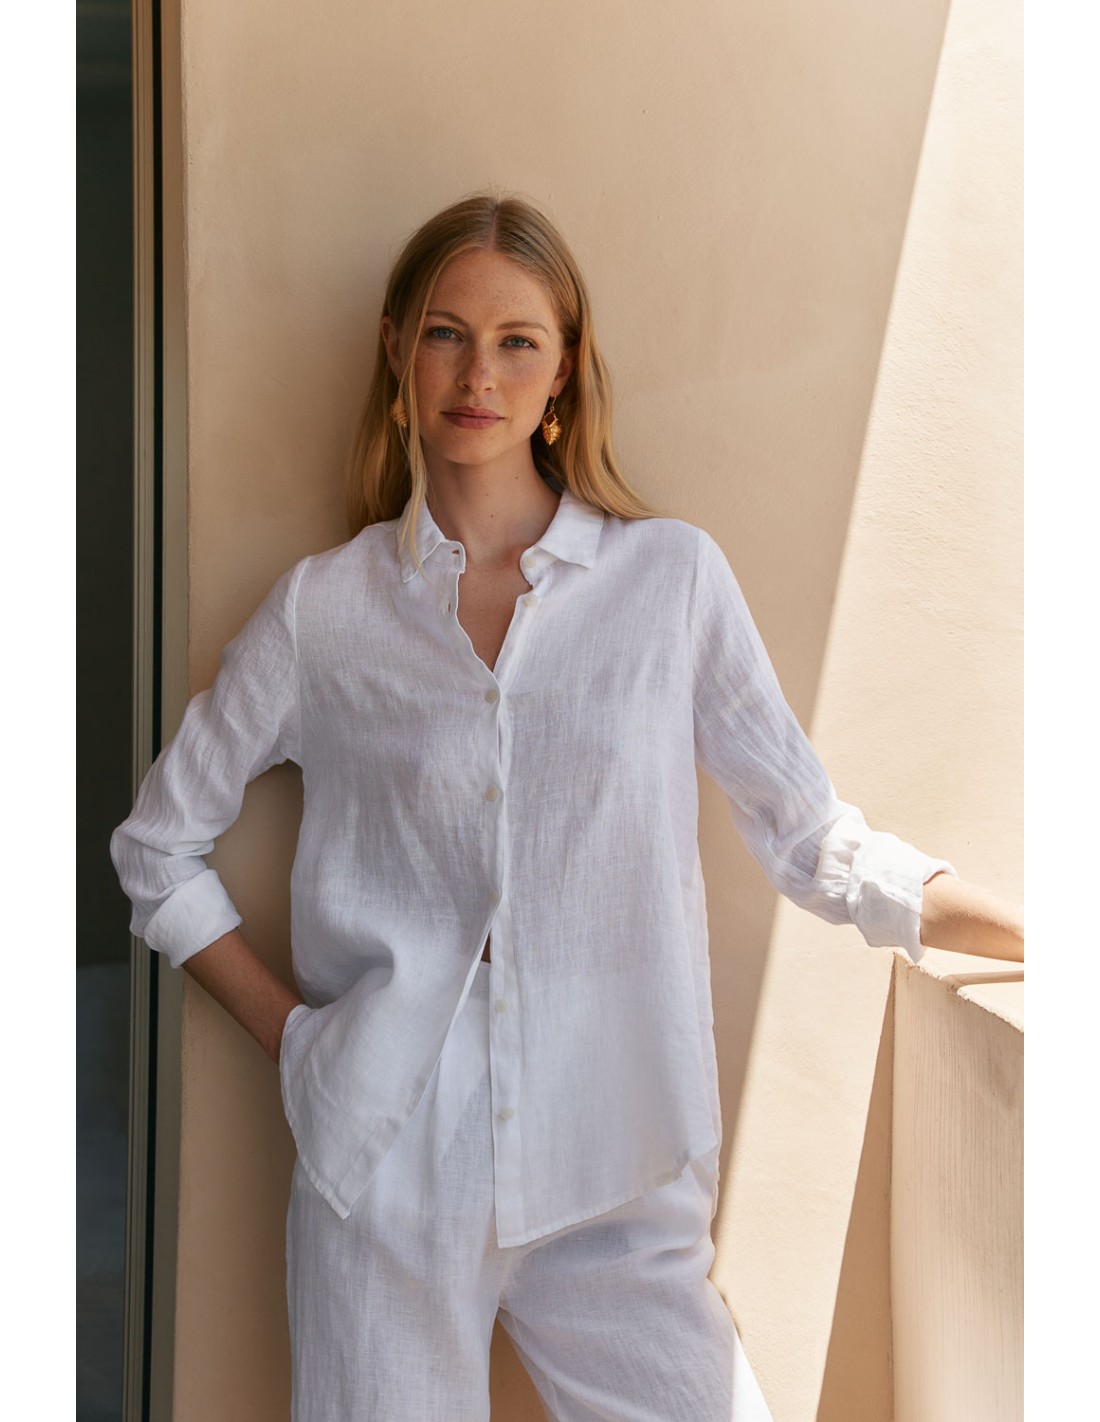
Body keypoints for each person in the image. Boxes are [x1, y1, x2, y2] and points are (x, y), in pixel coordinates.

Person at [111, 193, 1024, 1422]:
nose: (476, 374)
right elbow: (155, 852)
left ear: (562, 372)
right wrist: (298, 1041)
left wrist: (1029, 935)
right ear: (396, 349)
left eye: (516, 341)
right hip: (386, 1156)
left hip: (615, 1141)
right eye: (446, 334)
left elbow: (812, 839)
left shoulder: (667, 582)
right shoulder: (324, 613)